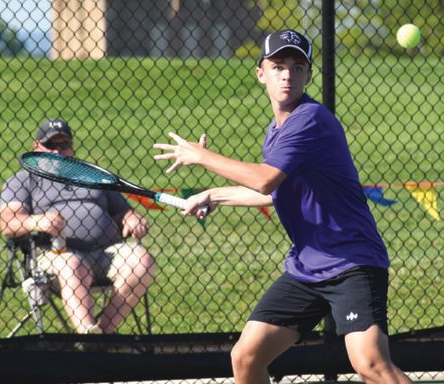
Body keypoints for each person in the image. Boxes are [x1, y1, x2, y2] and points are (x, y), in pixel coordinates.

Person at [153, 30, 412, 383]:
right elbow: (276, 192)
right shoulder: (277, 131)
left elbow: (264, 180)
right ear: (261, 73)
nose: (287, 74)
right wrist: (214, 194)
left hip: (351, 262)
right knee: (246, 358)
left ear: (308, 75)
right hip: (306, 269)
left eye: (296, 66)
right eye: (277, 66)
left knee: (370, 364)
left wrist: (201, 156)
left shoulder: (310, 120)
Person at [0, 118, 155, 334]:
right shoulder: (23, 180)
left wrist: (131, 218)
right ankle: (87, 332)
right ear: (36, 147)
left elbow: (123, 211)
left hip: (105, 252)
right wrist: (37, 221)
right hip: (56, 253)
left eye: (63, 146)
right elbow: (8, 222)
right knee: (73, 264)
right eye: (50, 145)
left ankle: (101, 335)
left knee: (141, 260)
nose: (57, 152)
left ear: (71, 148)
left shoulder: (92, 175)